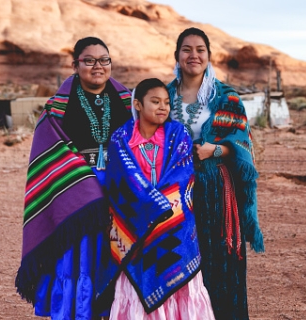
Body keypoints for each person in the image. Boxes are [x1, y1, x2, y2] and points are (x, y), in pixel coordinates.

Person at [15, 36, 132, 319]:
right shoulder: (58, 106)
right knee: (80, 257)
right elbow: (48, 151)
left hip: (120, 190)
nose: (97, 66)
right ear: (75, 64)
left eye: (104, 60)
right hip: (75, 192)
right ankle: (76, 311)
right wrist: (87, 185)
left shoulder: (128, 102)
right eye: (89, 60)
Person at [166, 27, 265, 320]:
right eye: (187, 49)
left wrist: (215, 150)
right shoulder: (162, 95)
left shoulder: (226, 98)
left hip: (216, 192)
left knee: (219, 262)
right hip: (173, 193)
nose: (193, 55)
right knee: (179, 262)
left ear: (209, 56)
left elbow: (243, 148)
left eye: (200, 50)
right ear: (177, 55)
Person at [103, 78, 215, 319]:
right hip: (135, 229)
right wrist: (149, 207)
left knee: (180, 286)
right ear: (138, 105)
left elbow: (182, 177)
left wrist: (158, 208)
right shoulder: (120, 139)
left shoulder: (178, 134)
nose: (163, 107)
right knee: (136, 287)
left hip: (173, 226)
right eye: (155, 101)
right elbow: (120, 183)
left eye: (166, 102)